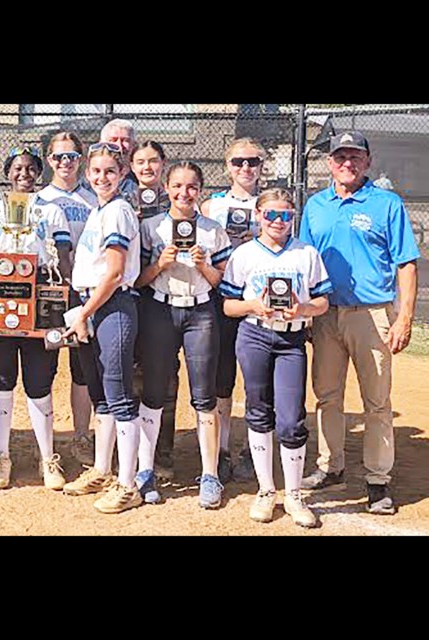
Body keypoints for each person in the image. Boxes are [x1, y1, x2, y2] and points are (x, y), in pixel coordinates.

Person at [299, 131, 419, 515]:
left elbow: (406, 263)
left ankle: (378, 478)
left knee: (377, 402)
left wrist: (404, 317)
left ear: (367, 162)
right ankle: (329, 466)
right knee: (327, 396)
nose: (347, 163)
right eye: (340, 157)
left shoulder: (386, 204)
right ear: (330, 163)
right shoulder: (316, 205)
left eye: (355, 156)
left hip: (372, 314)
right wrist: (304, 311)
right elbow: (303, 263)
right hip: (326, 314)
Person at [220, 188, 332, 528]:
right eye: (270, 214)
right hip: (254, 333)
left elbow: (324, 301)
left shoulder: (306, 253)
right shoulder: (244, 254)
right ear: (257, 216)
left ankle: (294, 494)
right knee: (258, 410)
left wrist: (305, 308)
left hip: (291, 338)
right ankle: (267, 490)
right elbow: (228, 305)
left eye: (285, 215)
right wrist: (253, 305)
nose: (278, 221)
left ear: (292, 218)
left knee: (290, 418)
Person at [135, 162, 232, 508]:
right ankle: (145, 470)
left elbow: (223, 282)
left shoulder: (213, 230)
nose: (184, 193)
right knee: (154, 391)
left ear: (200, 189)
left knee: (204, 394)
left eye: (191, 186)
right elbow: (138, 280)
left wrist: (204, 264)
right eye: (177, 186)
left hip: (201, 311)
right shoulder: (151, 227)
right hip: (160, 310)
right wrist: (160, 264)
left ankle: (209, 475)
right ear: (166, 187)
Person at [0, 145, 73, 492]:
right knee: (2, 378)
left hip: (40, 298)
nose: (24, 174)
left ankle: (47, 456)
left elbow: (62, 256)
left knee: (39, 380)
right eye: (18, 168)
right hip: (1, 299)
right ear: (7, 173)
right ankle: (1, 456)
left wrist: (63, 297)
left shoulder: (52, 212)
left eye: (31, 168)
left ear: (39, 172)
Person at [63, 143, 144, 513]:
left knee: (119, 392)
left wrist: (83, 313)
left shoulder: (119, 210)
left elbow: (113, 272)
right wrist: (82, 311)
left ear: (123, 173)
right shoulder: (99, 210)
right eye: (95, 171)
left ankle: (128, 484)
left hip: (111, 305)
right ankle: (101, 468)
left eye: (110, 171)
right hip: (93, 304)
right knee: (100, 394)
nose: (101, 177)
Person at [201, 137, 267, 483]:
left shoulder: (270, 204)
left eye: (253, 162)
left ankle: (255, 450)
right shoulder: (212, 207)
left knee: (258, 380)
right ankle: (223, 449)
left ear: (261, 166)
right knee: (222, 378)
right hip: (222, 298)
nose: (245, 168)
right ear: (227, 166)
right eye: (239, 162)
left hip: (261, 303)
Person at [36, 132, 98, 466]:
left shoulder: (94, 199)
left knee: (82, 368)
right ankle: (45, 444)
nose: (65, 162)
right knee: (43, 365)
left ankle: (80, 437)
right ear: (49, 160)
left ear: (81, 160)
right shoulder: (38, 201)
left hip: (84, 291)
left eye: (72, 156)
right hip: (48, 291)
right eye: (58, 157)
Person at [127, 141, 179, 481]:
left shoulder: (176, 199)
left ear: (163, 164)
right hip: (131, 295)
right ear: (131, 166)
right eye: (141, 162)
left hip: (165, 298)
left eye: (154, 161)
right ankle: (130, 450)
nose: (148, 167)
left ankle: (163, 450)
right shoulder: (122, 201)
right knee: (130, 372)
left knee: (165, 373)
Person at [99, 118, 139, 208]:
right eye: (113, 140)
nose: (119, 146)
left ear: (134, 145)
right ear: (101, 144)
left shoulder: (140, 179)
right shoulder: (92, 181)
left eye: (125, 140)